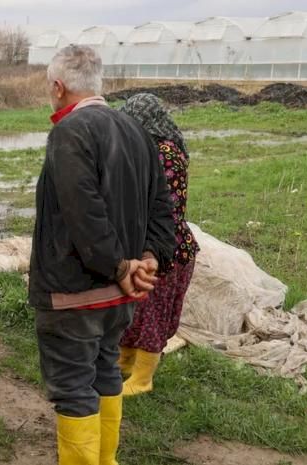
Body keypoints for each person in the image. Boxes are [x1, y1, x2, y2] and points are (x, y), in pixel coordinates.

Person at [28, 45, 175, 465]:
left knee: (74, 388)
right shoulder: (136, 130)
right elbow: (163, 207)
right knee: (106, 370)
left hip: (75, 294)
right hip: (121, 295)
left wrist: (121, 264)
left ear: (58, 87)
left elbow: (83, 211)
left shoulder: (70, 131)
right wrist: (149, 259)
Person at [117, 93, 200, 397]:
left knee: (150, 310)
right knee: (134, 307)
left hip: (167, 248)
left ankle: (142, 377)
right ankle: (125, 361)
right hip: (146, 240)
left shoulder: (166, 153)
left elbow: (162, 208)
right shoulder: (149, 149)